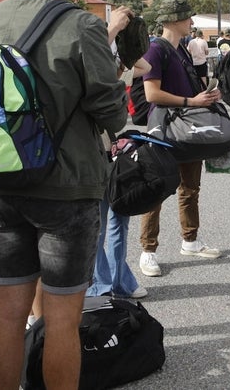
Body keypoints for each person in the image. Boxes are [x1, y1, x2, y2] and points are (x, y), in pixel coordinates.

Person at [0, 0, 128, 390]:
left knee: (10, 307)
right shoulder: (79, 24)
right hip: (66, 188)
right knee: (62, 318)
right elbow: (111, 108)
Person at [138, 0, 222, 276]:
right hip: (165, 127)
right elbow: (152, 94)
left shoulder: (182, 50)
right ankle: (148, 251)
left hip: (186, 126)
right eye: (187, 18)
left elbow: (190, 89)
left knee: (190, 188)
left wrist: (206, 94)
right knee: (158, 189)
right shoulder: (153, 50)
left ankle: (190, 240)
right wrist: (191, 101)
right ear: (173, 20)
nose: (192, 22)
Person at [87, 48, 151, 301]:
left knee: (118, 220)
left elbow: (144, 67)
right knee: (98, 226)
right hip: (91, 155)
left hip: (111, 153)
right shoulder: (83, 69)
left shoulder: (107, 67)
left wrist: (123, 44)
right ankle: (102, 284)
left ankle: (117, 280)